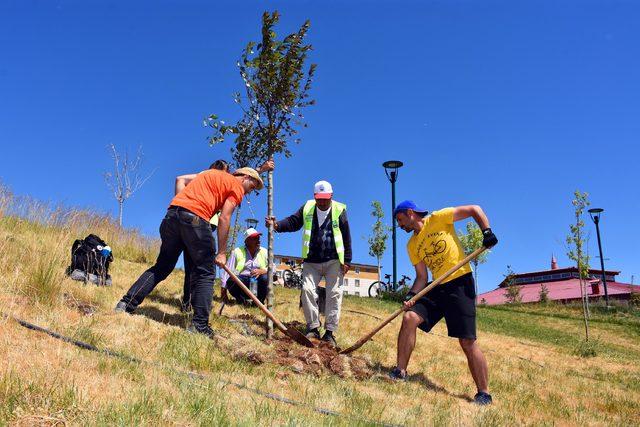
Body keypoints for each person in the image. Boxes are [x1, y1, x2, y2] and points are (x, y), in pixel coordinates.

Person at [115, 167, 264, 337]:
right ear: (245, 177)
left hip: (171, 216)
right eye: (252, 187)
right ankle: (200, 325)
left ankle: (126, 304)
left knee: (162, 267)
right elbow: (224, 217)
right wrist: (222, 252)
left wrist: (182, 211)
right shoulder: (236, 186)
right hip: (196, 219)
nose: (249, 191)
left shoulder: (210, 173)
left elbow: (181, 180)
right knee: (205, 273)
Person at [389, 200, 498, 406]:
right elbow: (421, 276)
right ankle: (400, 371)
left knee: (467, 341)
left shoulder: (439, 218)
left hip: (459, 283)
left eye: (401, 220)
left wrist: (487, 231)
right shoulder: (412, 244)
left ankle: (484, 393)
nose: (400, 225)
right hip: (437, 286)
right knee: (410, 317)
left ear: (410, 213)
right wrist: (411, 295)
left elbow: (475, 210)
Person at [176, 159, 274, 312]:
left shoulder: (222, 181)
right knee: (198, 268)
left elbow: (244, 176)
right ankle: (193, 306)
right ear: (215, 170)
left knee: (192, 265)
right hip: (200, 221)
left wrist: (261, 170)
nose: (227, 175)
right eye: (224, 171)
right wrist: (184, 205)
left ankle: (190, 303)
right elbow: (240, 178)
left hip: (204, 223)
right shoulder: (207, 176)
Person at [265, 180, 352, 347]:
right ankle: (313, 328)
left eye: (326, 199)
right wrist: (276, 225)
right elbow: (293, 222)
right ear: (314, 196)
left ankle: (330, 332)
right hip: (312, 260)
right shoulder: (308, 207)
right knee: (307, 291)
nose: (322, 202)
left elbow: (346, 235)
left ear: (331, 196)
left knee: (334, 294)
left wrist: (347, 260)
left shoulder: (340, 210)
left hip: (334, 260)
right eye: (319, 199)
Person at [219, 228, 269, 305]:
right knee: (232, 279)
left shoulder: (264, 251)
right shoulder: (237, 251)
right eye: (255, 238)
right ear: (247, 241)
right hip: (242, 282)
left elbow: (274, 268)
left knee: (265, 278)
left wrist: (263, 271)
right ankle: (242, 301)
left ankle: (259, 302)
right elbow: (228, 271)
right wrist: (223, 292)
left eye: (258, 238)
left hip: (258, 283)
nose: (258, 240)